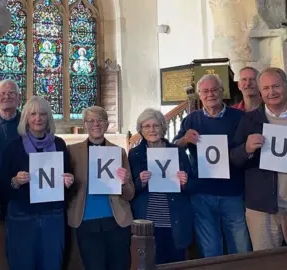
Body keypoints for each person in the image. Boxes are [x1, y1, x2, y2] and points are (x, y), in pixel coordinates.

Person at [173, 74, 251, 258]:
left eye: (214, 90)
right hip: (202, 193)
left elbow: (246, 149)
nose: (210, 94)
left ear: (222, 92)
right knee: (210, 249)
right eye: (205, 91)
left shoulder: (239, 117)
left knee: (240, 247)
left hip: (233, 191)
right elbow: (174, 146)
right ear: (200, 94)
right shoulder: (191, 120)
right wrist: (185, 139)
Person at [0, 96, 74, 270]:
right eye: (33, 114)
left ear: (48, 118)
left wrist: (68, 181)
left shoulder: (59, 144)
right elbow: (1, 184)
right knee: (22, 264)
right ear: (26, 118)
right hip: (22, 215)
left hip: (52, 215)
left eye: (42, 114)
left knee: (52, 264)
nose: (38, 118)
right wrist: (15, 181)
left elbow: (68, 178)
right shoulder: (13, 147)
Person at [67, 106, 135, 270]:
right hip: (85, 221)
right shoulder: (72, 151)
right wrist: (68, 182)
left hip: (117, 221)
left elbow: (130, 194)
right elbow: (67, 190)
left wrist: (125, 182)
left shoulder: (118, 152)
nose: (95, 124)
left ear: (107, 124)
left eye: (100, 120)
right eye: (91, 120)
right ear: (85, 125)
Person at [231, 67, 287, 250]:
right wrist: (246, 149)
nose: (272, 92)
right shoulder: (249, 120)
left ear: (285, 86)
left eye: (276, 86)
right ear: (260, 92)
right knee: (265, 262)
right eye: (266, 88)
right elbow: (234, 158)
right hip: (261, 207)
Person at [129, 108, 194, 264]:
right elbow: (129, 189)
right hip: (148, 220)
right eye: (147, 126)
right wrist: (141, 182)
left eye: (156, 125)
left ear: (162, 127)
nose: (152, 130)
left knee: (175, 263)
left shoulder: (177, 152)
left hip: (174, 220)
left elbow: (192, 184)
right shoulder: (135, 154)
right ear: (141, 130)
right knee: (149, 263)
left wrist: (185, 181)